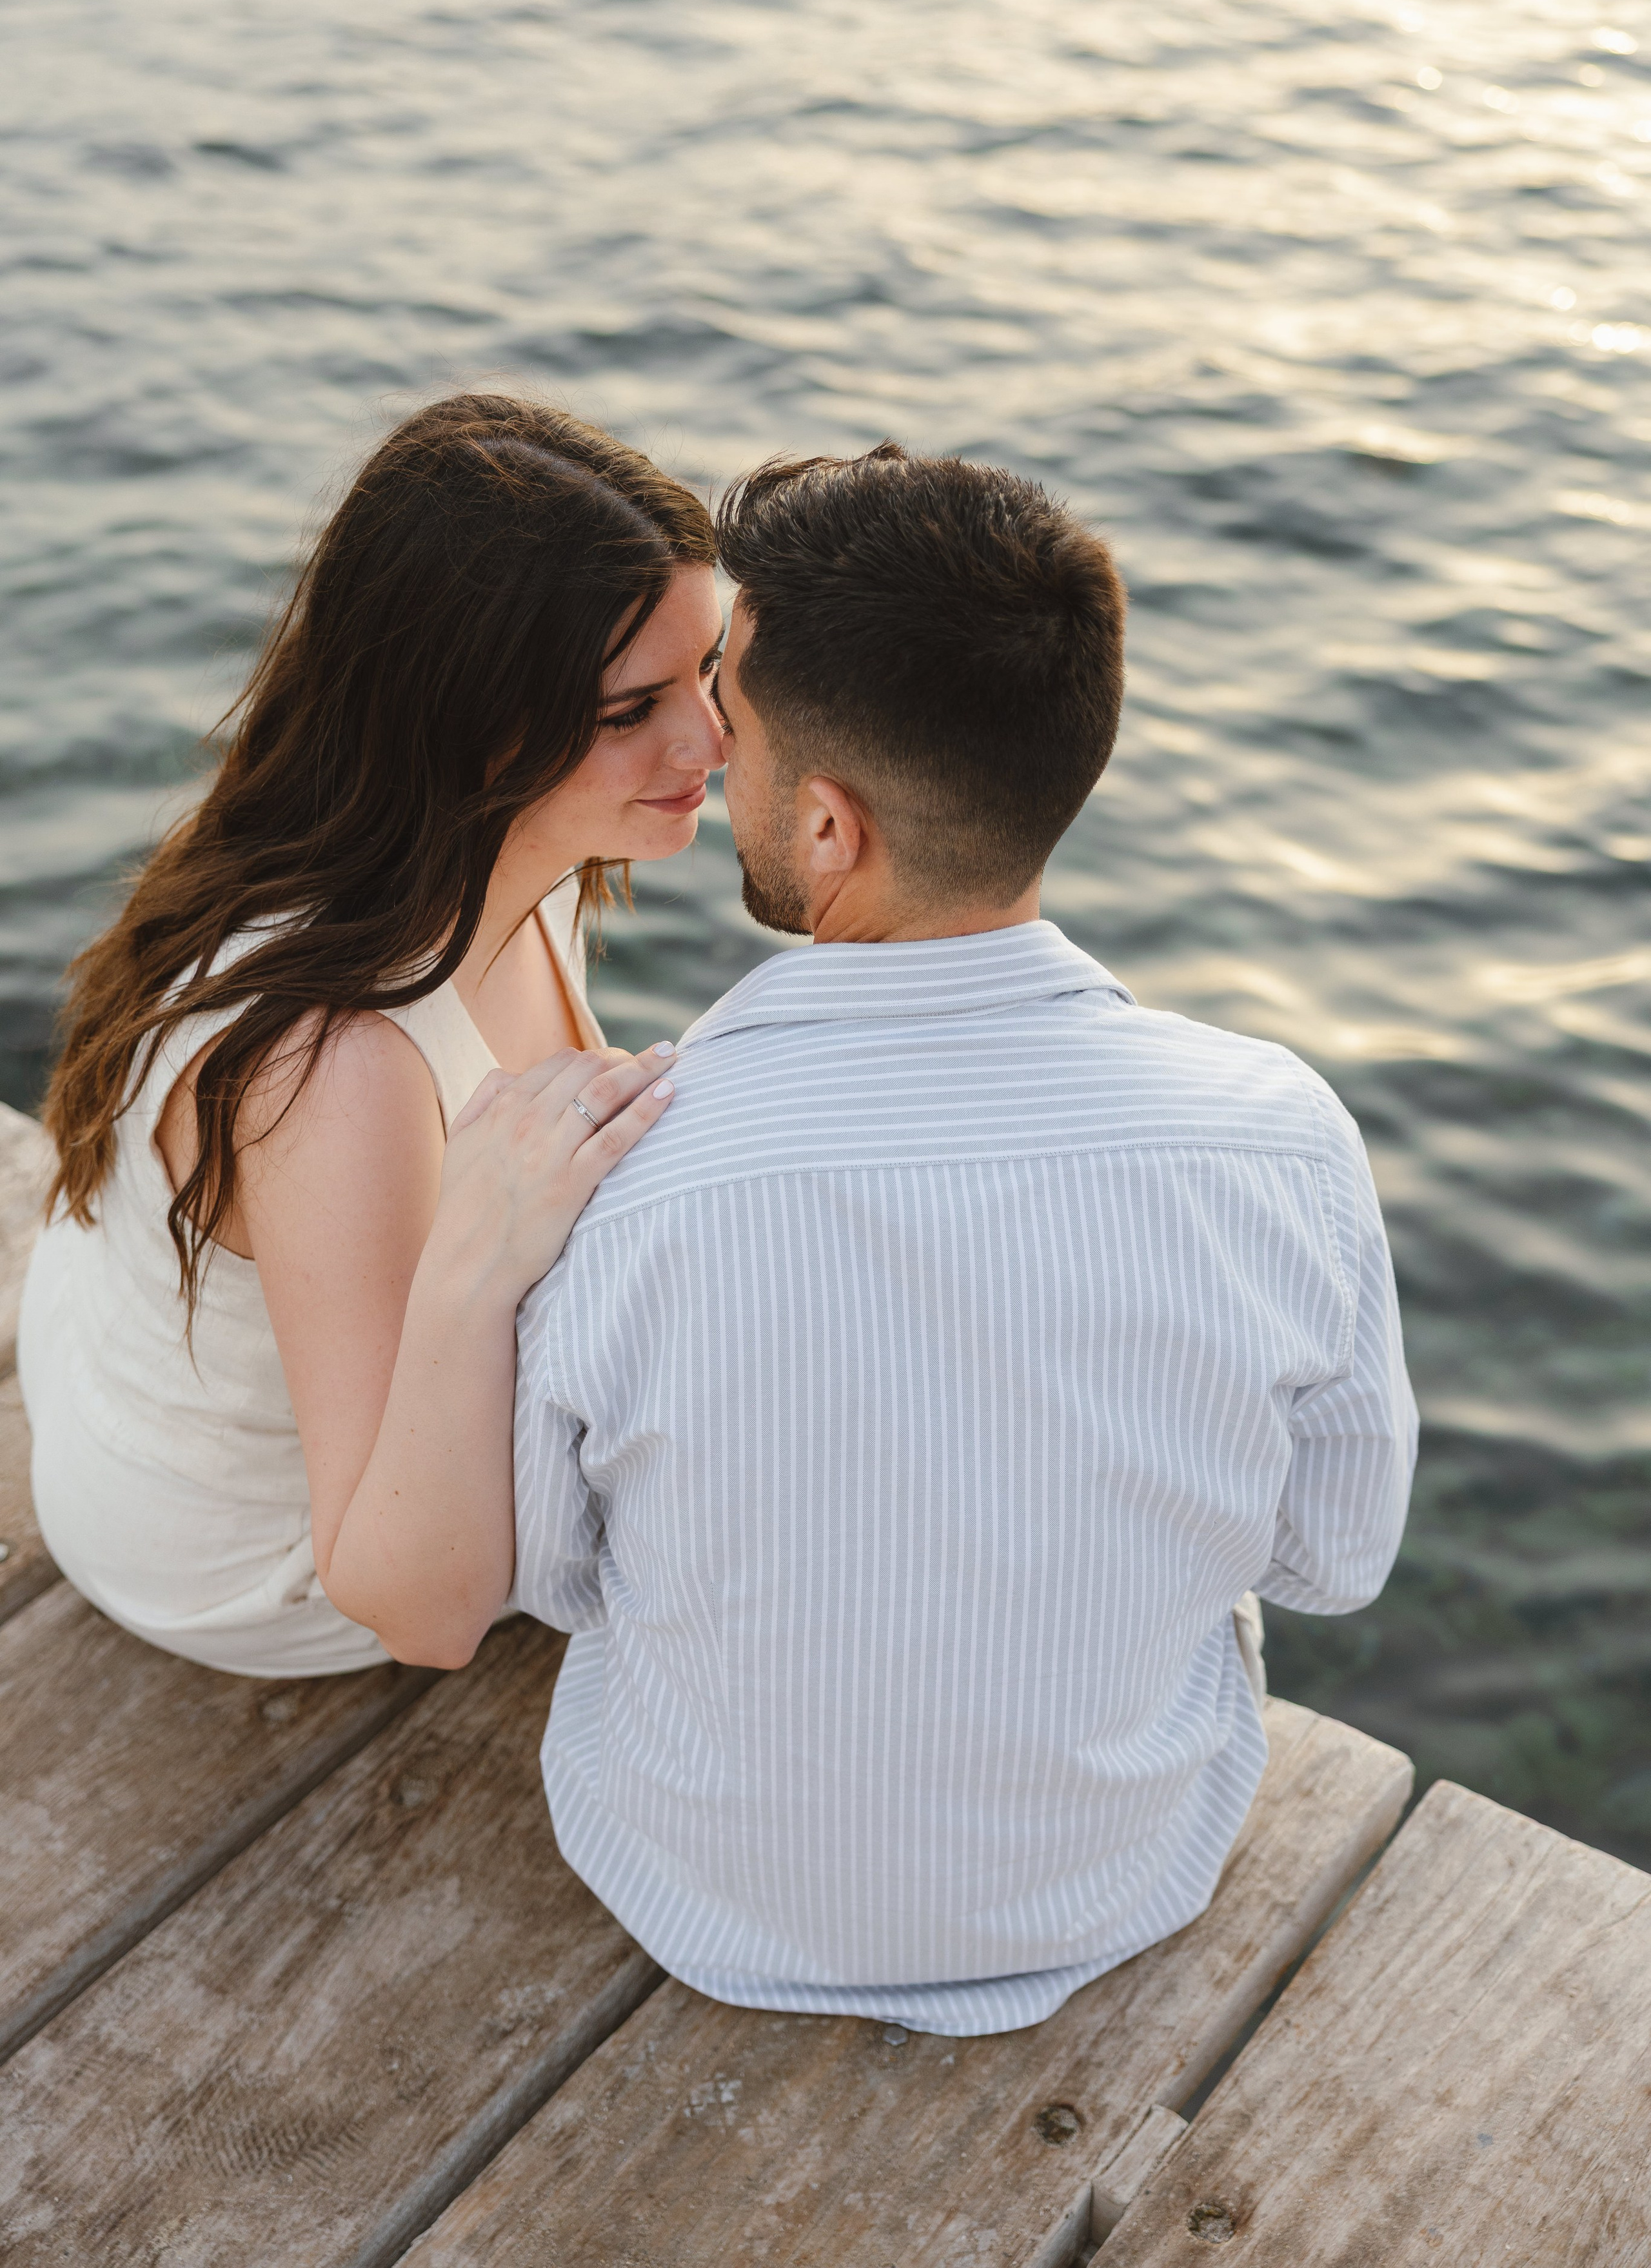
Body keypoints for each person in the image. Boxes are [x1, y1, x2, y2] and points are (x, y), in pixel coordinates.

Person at [511, 441, 1418, 2038]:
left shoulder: (625, 1172)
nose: (709, 747)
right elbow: (1331, 1562)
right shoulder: (1281, 1138)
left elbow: (550, 1577)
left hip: (690, 1885)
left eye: (730, 701)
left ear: (832, 834)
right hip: (1116, 1879)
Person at [20, 394, 723, 1679]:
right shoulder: (331, 1067)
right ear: (466, 720)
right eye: (634, 711)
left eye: (710, 673)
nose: (712, 743)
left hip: (179, 1373)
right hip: (261, 1557)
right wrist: (479, 1257)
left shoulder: (515, 850)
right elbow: (419, 1610)